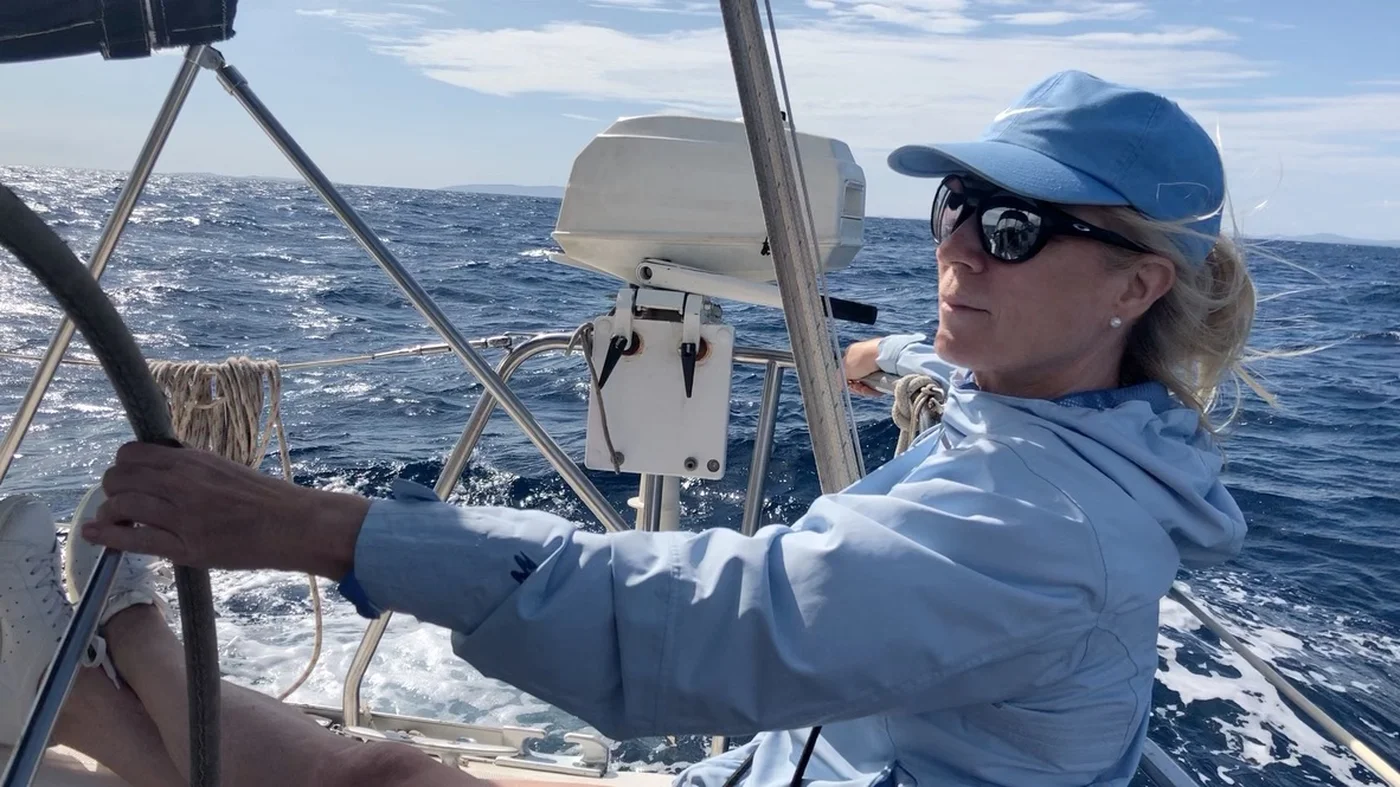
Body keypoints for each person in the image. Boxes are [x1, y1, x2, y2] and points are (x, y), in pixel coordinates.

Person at [1, 69, 1258, 787]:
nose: (958, 252)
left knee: (380, 784)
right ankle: (76, 690)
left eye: (1015, 231)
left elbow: (712, 624)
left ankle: (114, 656)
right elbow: (954, 372)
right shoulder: (1083, 422)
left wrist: (310, 526)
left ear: (1133, 287)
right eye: (955, 206)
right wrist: (882, 359)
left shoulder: (1037, 520)